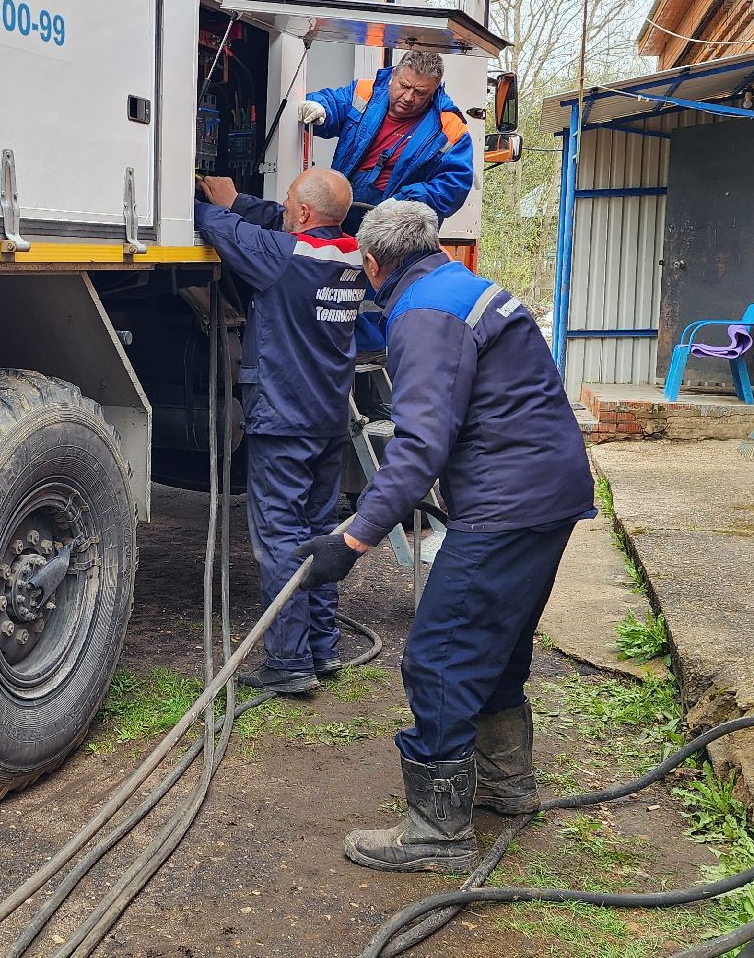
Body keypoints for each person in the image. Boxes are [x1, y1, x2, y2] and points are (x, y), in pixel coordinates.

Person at [298, 199, 595, 873]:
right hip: (546, 492)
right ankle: (506, 784)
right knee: (496, 643)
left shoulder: (423, 315)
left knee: (438, 656)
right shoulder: (459, 287)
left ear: (373, 263)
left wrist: (351, 541)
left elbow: (421, 443)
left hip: (508, 504)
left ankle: (438, 834)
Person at [194, 168, 361, 695]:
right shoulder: (354, 256)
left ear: (306, 215)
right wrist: (244, 199)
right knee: (319, 533)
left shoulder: (282, 258)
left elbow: (214, 226)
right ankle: (322, 647)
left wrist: (202, 196)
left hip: (285, 421)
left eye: (290, 203)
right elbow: (274, 223)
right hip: (329, 421)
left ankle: (288, 662)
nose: (284, 209)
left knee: (280, 540)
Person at [299, 51, 476, 355]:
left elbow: (454, 186)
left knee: (376, 288)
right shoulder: (365, 93)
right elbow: (334, 103)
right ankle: (327, 342)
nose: (408, 97)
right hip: (345, 213)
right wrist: (320, 108)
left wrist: (402, 204)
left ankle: (370, 347)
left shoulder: (450, 127)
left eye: (420, 92)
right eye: (404, 86)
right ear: (394, 75)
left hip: (392, 227)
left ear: (435, 91)